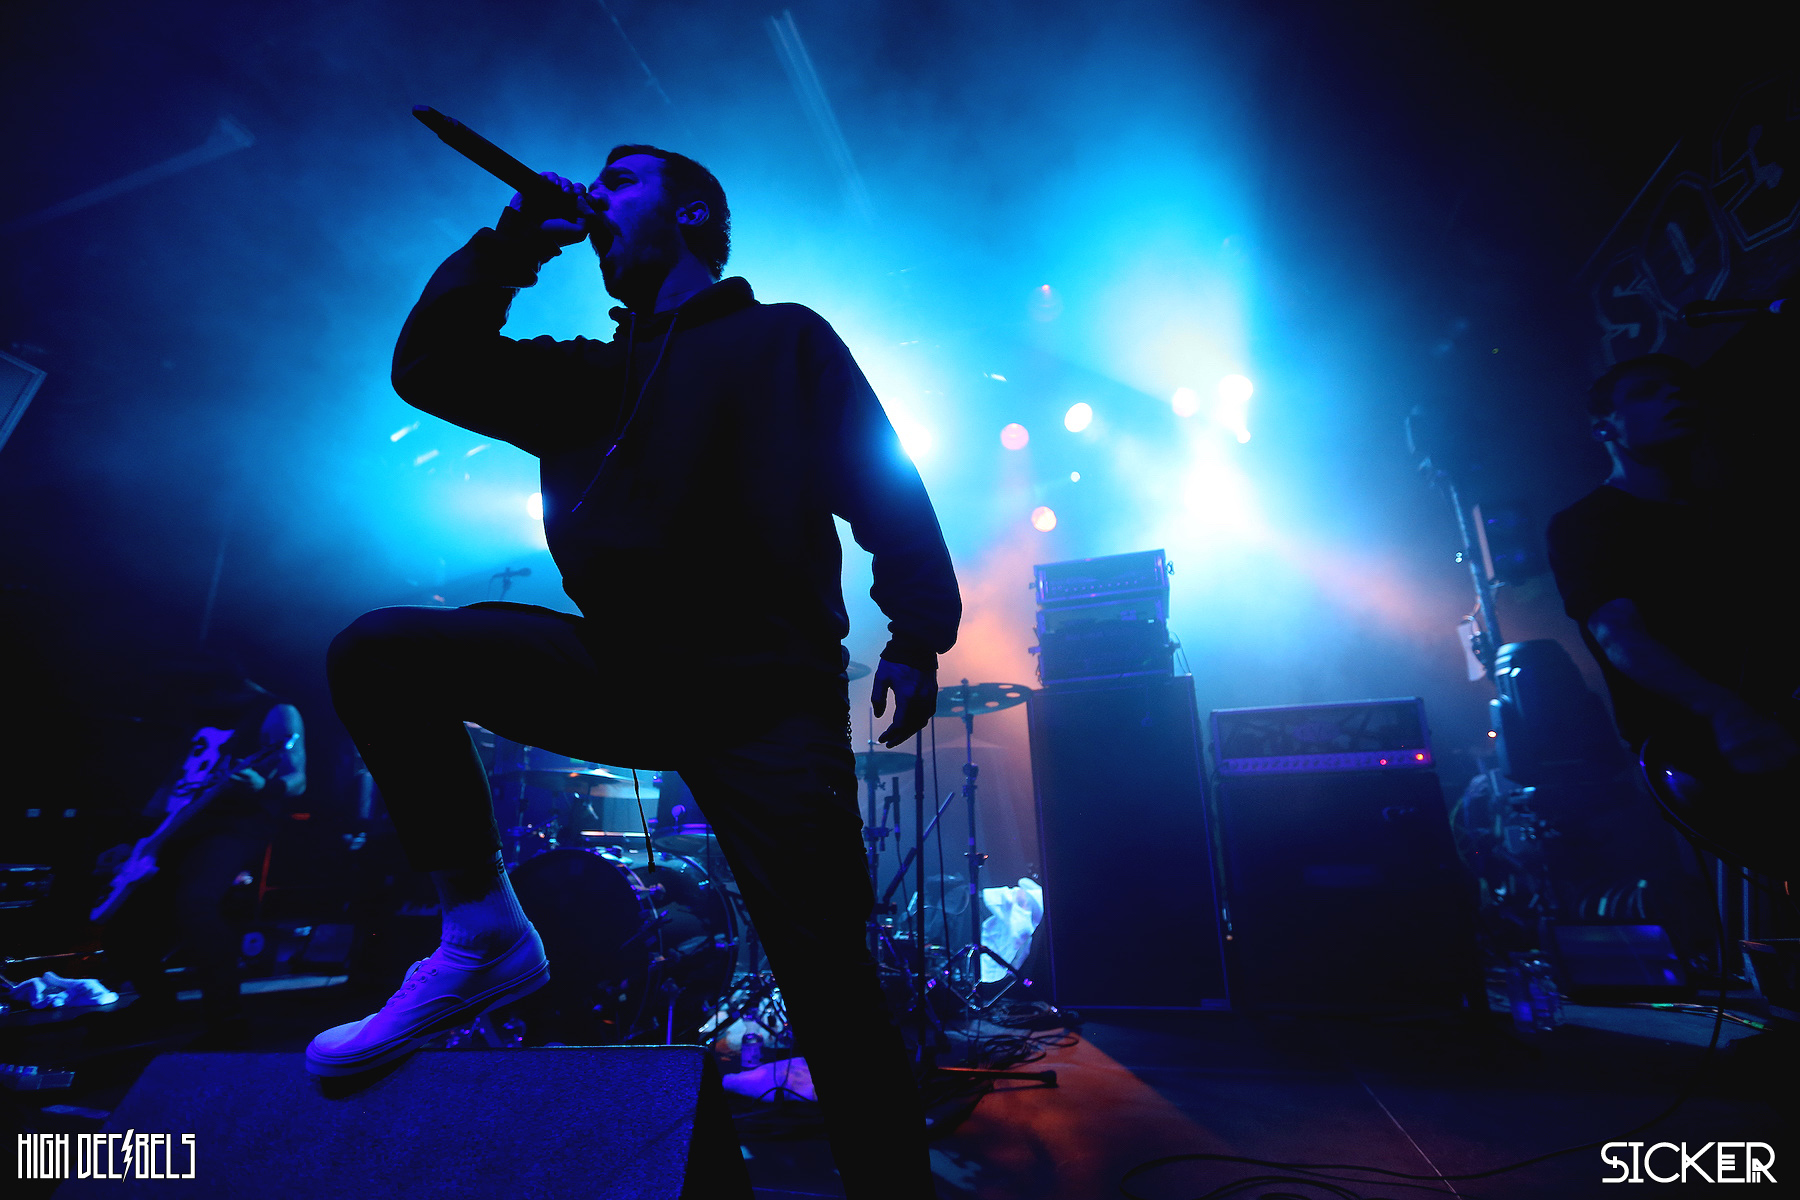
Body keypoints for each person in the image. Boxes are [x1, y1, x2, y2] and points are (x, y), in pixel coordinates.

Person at [308, 145, 960, 1199]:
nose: (597, 196)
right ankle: (482, 932)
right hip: (622, 670)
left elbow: (886, 481)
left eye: (622, 182)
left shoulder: (782, 339)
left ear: (691, 212)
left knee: (831, 991)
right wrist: (513, 246)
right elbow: (430, 366)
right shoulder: (588, 375)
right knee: (379, 653)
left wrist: (917, 632)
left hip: (762, 697)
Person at [1546, 353, 1797, 870]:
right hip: (1701, 754)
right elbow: (1618, 634)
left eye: (1680, 388)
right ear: (1604, 427)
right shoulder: (1587, 524)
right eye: (1647, 391)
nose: (1674, 396)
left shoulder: (1740, 511)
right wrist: (1724, 710)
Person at [98, 666, 305, 1045]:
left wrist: (264, 784)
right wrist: (133, 840)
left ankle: (227, 1021)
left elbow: (298, 779)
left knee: (196, 904)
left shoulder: (276, 711)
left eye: (204, 696)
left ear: (224, 688)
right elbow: (171, 783)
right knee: (122, 922)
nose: (198, 704)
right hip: (174, 827)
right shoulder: (204, 716)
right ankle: (158, 1004)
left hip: (231, 826)